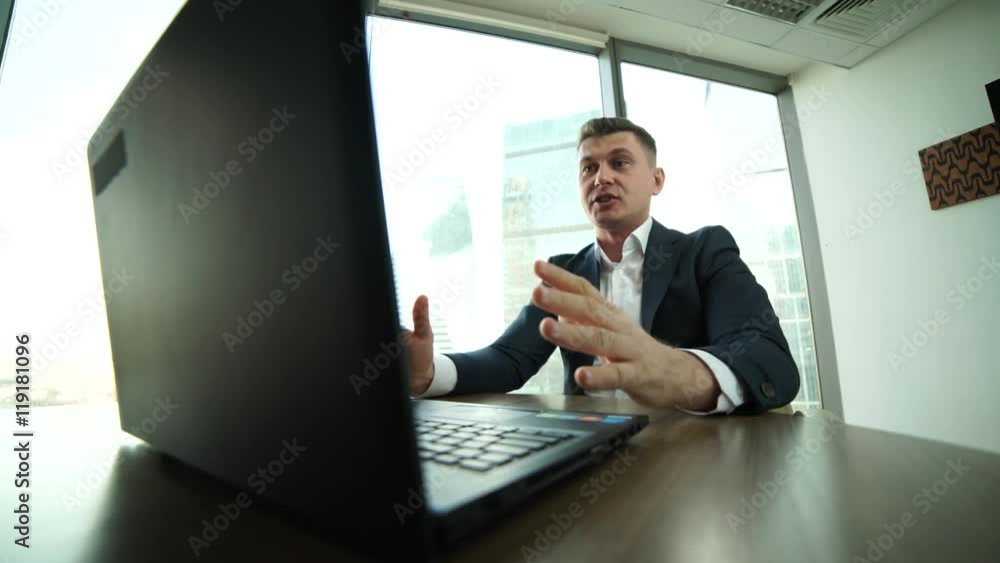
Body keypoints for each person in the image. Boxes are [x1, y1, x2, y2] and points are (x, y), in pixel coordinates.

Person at [405, 117, 799, 414]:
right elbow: (508, 360)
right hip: (588, 452)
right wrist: (429, 372)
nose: (601, 178)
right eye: (588, 168)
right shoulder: (564, 273)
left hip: (689, 453)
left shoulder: (704, 250)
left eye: (619, 163)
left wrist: (673, 371)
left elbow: (769, 360)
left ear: (656, 180)